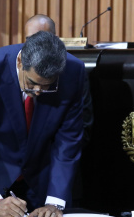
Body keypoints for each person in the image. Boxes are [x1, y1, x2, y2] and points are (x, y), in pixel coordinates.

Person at [0, 31, 84, 217]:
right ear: (20, 61)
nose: (39, 92)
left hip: (44, 182)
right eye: (32, 83)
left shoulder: (73, 71)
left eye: (48, 86)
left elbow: (68, 140)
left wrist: (55, 202)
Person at [25, 14, 93, 148]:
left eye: (42, 40)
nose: (35, 46)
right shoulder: (8, 67)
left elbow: (81, 129)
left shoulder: (72, 73)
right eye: (30, 40)